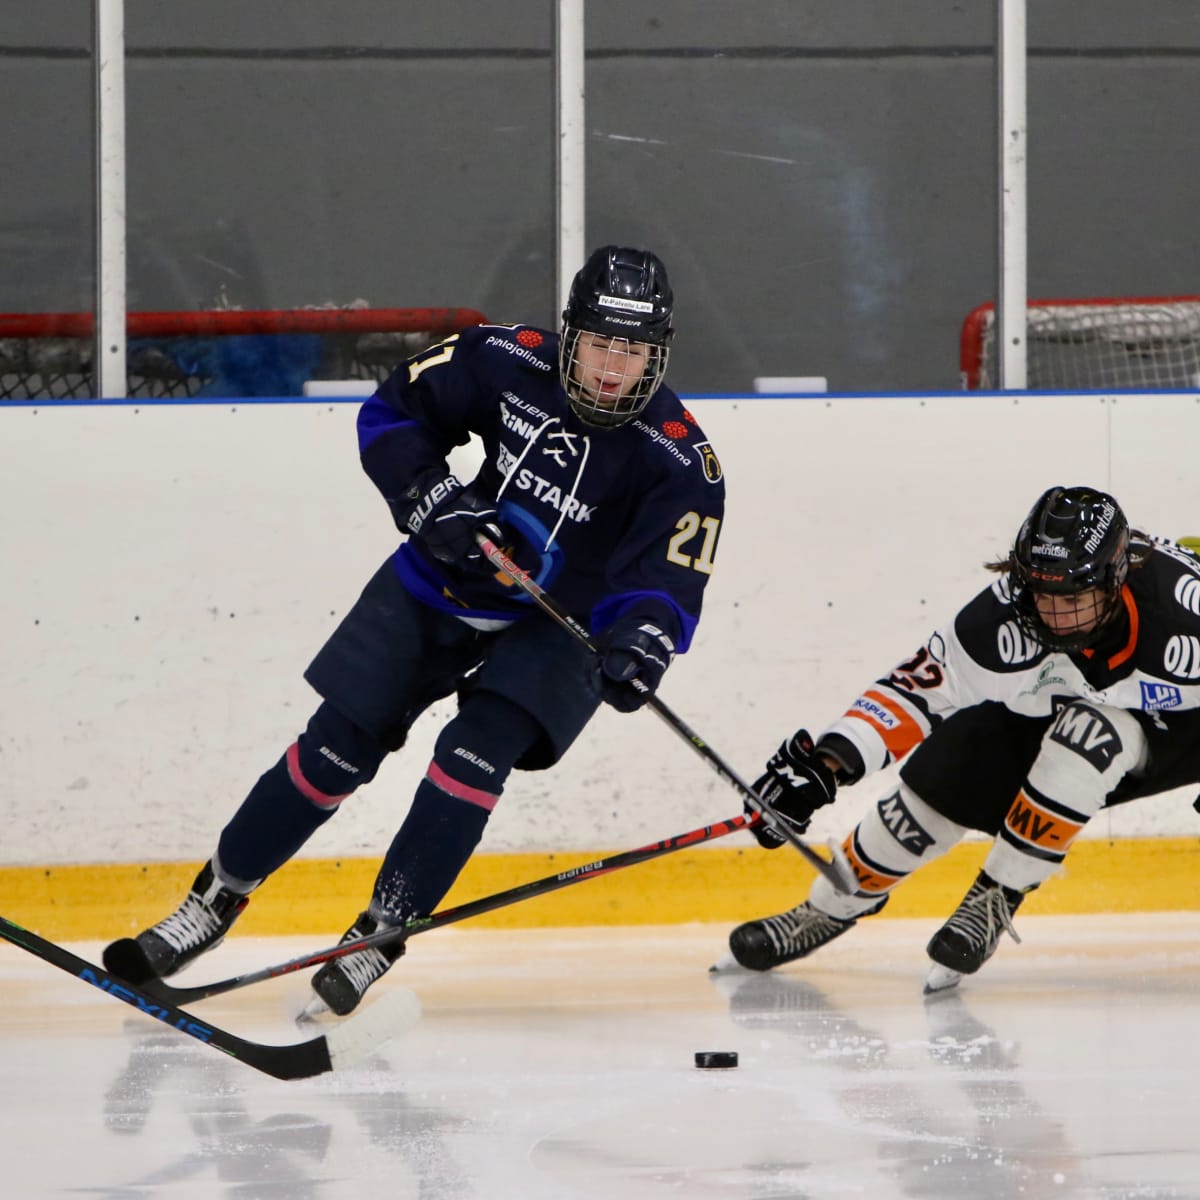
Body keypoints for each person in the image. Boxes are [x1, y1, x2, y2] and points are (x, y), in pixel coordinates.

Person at [104, 245, 725, 1014]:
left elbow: (667, 583)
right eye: (600, 343)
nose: (610, 369)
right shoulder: (501, 358)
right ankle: (214, 899)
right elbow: (392, 413)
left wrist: (642, 643)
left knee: (473, 755)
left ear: (656, 353)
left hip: (559, 629)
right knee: (333, 751)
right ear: (570, 336)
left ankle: (380, 930)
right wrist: (433, 496)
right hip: (446, 580)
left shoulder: (680, 460)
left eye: (631, 351)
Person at [724, 486, 1200, 991]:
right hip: (1054, 702)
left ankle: (996, 895)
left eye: (1074, 598)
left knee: (1088, 736)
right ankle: (826, 908)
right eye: (1042, 592)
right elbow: (913, 691)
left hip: (1176, 733)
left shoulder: (1183, 617)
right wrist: (826, 765)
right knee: (935, 787)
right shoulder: (1002, 619)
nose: (1054, 615)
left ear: (1114, 578)